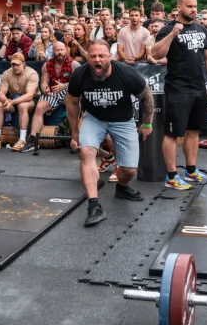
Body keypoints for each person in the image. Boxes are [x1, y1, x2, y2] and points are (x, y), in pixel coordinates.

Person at [66, 41, 154, 226]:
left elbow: (146, 96)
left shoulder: (125, 73)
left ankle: (122, 188)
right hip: (94, 118)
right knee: (87, 152)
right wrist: (75, 132)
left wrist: (147, 123)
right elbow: (72, 102)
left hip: (122, 120)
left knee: (129, 170)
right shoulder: (80, 74)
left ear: (109, 57)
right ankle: (93, 205)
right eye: (93, 56)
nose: (97, 60)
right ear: (88, 58)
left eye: (101, 56)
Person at [149, 0, 207, 190]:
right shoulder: (168, 29)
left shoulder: (201, 29)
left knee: (194, 130)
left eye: (195, 6)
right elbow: (156, 54)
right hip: (177, 87)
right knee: (172, 133)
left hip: (198, 87)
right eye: (189, 6)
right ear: (179, 7)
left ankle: (190, 171)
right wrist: (172, 34)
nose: (194, 10)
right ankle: (171, 176)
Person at [27, 42, 74, 150]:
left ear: (66, 50)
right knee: (39, 107)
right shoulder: (47, 64)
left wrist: (65, 85)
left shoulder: (73, 63)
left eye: (62, 50)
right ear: (53, 51)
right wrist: (45, 88)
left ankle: (74, 139)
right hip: (53, 91)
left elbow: (79, 82)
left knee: (72, 103)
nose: (59, 52)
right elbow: (44, 81)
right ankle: (33, 140)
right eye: (57, 50)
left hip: (69, 90)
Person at [0, 52, 39, 151]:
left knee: (22, 106)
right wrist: (5, 101)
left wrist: (11, 102)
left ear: (23, 64)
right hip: (14, 98)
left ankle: (22, 139)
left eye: (17, 64)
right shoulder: (7, 73)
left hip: (31, 99)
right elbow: (1, 93)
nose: (15, 67)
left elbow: (29, 95)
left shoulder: (32, 73)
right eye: (13, 64)